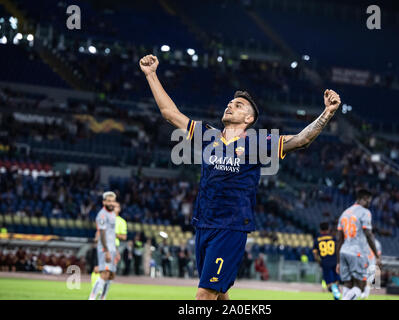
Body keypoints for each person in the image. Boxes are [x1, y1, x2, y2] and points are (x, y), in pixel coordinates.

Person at [139, 54, 341, 300]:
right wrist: (151, 74)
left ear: (249, 119)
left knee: (204, 296)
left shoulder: (257, 143)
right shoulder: (208, 135)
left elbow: (301, 140)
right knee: (220, 294)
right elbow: (169, 113)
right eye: (230, 102)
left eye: (238, 105)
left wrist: (327, 113)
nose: (230, 105)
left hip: (231, 227)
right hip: (203, 223)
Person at [336, 189, 381, 300]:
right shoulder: (365, 212)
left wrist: (338, 261)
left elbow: (339, 239)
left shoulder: (345, 213)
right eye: (368, 201)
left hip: (343, 251)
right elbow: (369, 234)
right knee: (360, 286)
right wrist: (376, 255)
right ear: (364, 199)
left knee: (348, 284)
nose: (369, 204)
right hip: (357, 252)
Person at [88, 191, 117, 300]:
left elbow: (111, 234)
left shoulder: (113, 214)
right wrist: (107, 250)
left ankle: (103, 297)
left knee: (111, 275)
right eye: (109, 201)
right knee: (104, 273)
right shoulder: (102, 215)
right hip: (105, 248)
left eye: (112, 201)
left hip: (112, 247)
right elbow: (103, 234)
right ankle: (92, 297)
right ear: (104, 202)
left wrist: (115, 250)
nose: (111, 203)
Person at [313, 222, 341, 300]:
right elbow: (338, 250)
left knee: (329, 284)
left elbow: (315, 255)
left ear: (320, 230)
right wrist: (339, 261)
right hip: (335, 261)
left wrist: (320, 263)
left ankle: (336, 294)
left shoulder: (317, 240)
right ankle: (337, 293)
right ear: (328, 229)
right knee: (336, 280)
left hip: (325, 262)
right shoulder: (333, 238)